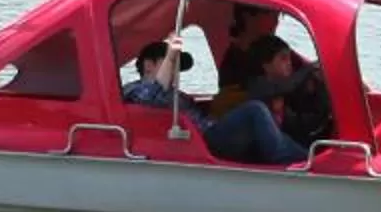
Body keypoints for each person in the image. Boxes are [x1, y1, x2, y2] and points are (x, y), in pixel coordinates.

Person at [124, 42, 306, 168]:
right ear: (149, 65)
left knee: (257, 122)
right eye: (172, 64)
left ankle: (307, 156)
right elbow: (151, 96)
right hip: (202, 140)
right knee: (255, 109)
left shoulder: (178, 94)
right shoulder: (136, 90)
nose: (176, 71)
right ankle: (291, 158)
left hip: (207, 132)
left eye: (177, 65)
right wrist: (171, 55)